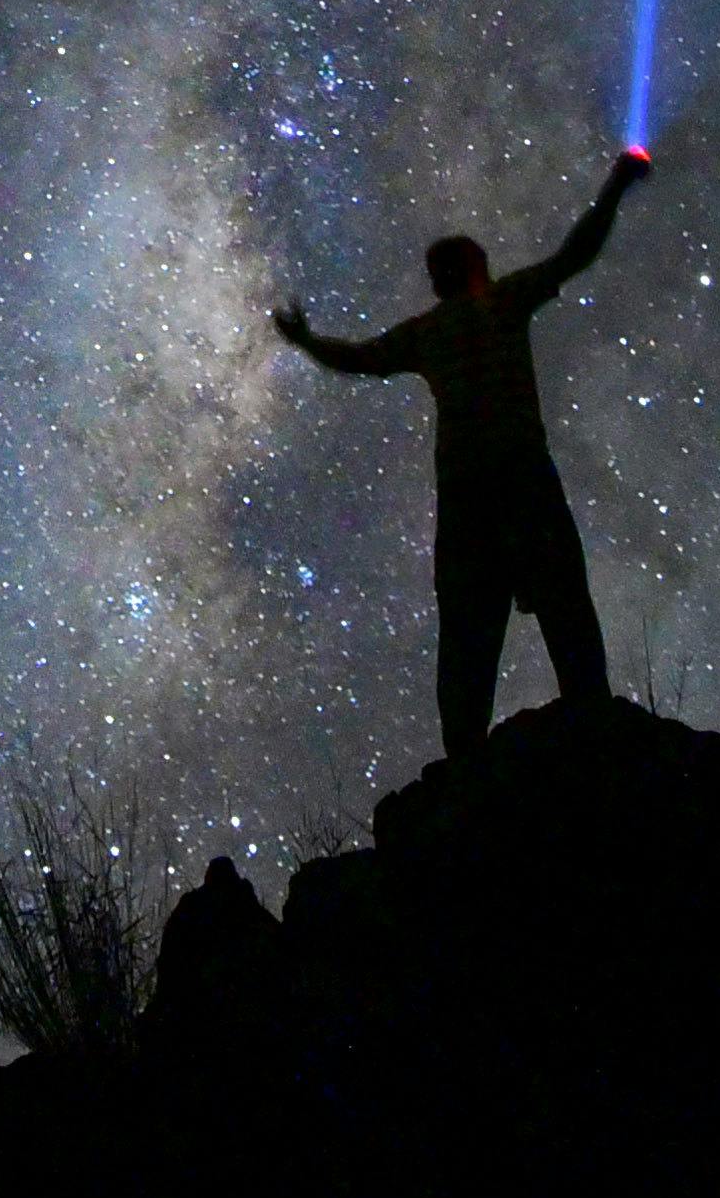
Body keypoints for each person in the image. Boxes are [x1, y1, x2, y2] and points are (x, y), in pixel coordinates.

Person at [276, 151, 650, 756]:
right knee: (527, 610)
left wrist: (308, 342)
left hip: (485, 484)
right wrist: (615, 187)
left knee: (495, 621)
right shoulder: (484, 309)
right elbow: (574, 254)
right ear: (470, 270)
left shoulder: (451, 323)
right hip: (504, 480)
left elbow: (360, 359)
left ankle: (492, 754)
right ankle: (566, 728)